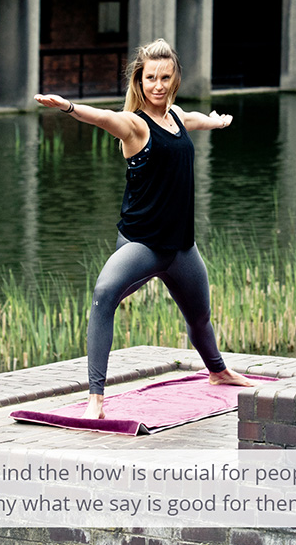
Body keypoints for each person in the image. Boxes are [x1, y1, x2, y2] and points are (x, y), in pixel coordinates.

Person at [35, 38, 253, 420]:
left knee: (199, 316)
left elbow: (193, 120)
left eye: (165, 77)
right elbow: (101, 117)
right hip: (143, 244)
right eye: (150, 77)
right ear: (139, 80)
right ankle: (95, 398)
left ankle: (218, 372)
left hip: (181, 248)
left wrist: (215, 122)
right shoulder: (135, 125)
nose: (158, 85)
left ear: (175, 79)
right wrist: (69, 107)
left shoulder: (177, 117)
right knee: (104, 295)